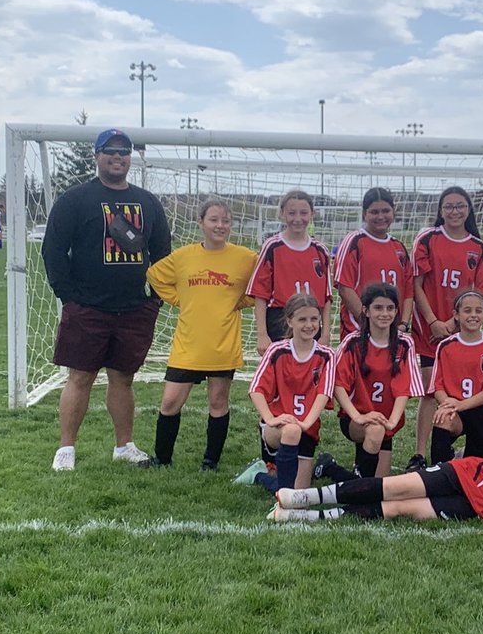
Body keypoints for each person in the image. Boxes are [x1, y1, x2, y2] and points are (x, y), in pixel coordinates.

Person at [42, 128, 172, 471]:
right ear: (96, 156)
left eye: (124, 151)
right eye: (110, 151)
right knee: (80, 377)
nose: (117, 157)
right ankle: (66, 449)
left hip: (133, 309)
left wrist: (155, 299)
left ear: (130, 158)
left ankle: (124, 445)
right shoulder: (76, 199)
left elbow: (162, 254)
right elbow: (54, 250)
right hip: (87, 307)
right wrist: (68, 296)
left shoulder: (148, 202)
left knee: (123, 379)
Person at [269, 403, 483, 524]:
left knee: (400, 510)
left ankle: (306, 517)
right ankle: (301, 498)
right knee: (394, 488)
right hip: (469, 477)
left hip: (479, 509)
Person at [145, 199, 257, 470]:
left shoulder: (246, 259)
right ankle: (162, 458)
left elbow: (261, 287)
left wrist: (238, 302)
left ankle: (211, 461)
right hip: (188, 344)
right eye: (214, 220)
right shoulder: (184, 256)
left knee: (218, 402)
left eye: (226, 221)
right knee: (170, 402)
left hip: (222, 344)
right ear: (201, 223)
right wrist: (181, 299)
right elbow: (154, 275)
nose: (220, 225)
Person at [407, 186, 483, 470]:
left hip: (463, 333)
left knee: (462, 388)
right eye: (449, 206)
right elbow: (416, 284)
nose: (455, 211)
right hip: (430, 331)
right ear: (441, 210)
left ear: (469, 209)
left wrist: (459, 322)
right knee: (430, 392)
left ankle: (458, 447)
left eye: (460, 206)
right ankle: (421, 454)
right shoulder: (427, 238)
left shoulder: (477, 246)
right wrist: (434, 321)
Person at [242, 294, 335, 490]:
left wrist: (306, 423)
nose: (309, 325)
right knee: (291, 432)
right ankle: (283, 503)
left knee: (300, 493)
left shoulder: (327, 355)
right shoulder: (277, 350)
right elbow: (256, 389)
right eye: (302, 319)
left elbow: (324, 394)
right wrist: (269, 418)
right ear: (289, 321)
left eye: (313, 319)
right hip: (277, 428)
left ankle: (259, 475)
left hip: (307, 429)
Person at [334, 282, 424, 478]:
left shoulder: (404, 343)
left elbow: (404, 389)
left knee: (381, 483)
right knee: (374, 432)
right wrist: (358, 417)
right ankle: (362, 494)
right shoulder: (352, 342)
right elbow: (338, 385)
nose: (385, 313)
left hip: (385, 422)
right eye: (378, 308)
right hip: (355, 420)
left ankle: (330, 468)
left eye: (390, 308)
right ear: (366, 311)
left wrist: (391, 422)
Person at [427, 289, 483, 464]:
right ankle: (437, 471)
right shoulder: (445, 346)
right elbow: (437, 387)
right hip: (454, 408)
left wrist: (462, 404)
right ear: (456, 315)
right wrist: (448, 404)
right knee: (443, 417)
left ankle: (463, 456)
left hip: (482, 409)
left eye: (478, 311)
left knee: (480, 467)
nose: (473, 315)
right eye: (467, 311)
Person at [249, 190, 333, 353]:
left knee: (309, 373)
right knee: (280, 373)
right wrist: (262, 334)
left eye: (303, 213)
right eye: (292, 213)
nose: (298, 219)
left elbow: (327, 297)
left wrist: (326, 333)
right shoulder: (272, 247)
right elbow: (260, 294)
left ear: (312, 214)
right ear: (282, 214)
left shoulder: (320, 250)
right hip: (279, 320)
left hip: (311, 320)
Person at [334, 187, 414, 340]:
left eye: (385, 211)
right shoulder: (354, 241)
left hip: (393, 333)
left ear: (393, 212)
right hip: (359, 332)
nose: (381, 216)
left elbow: (408, 292)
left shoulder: (399, 248)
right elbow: (344, 287)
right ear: (364, 214)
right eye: (374, 212)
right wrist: (368, 322)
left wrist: (403, 323)